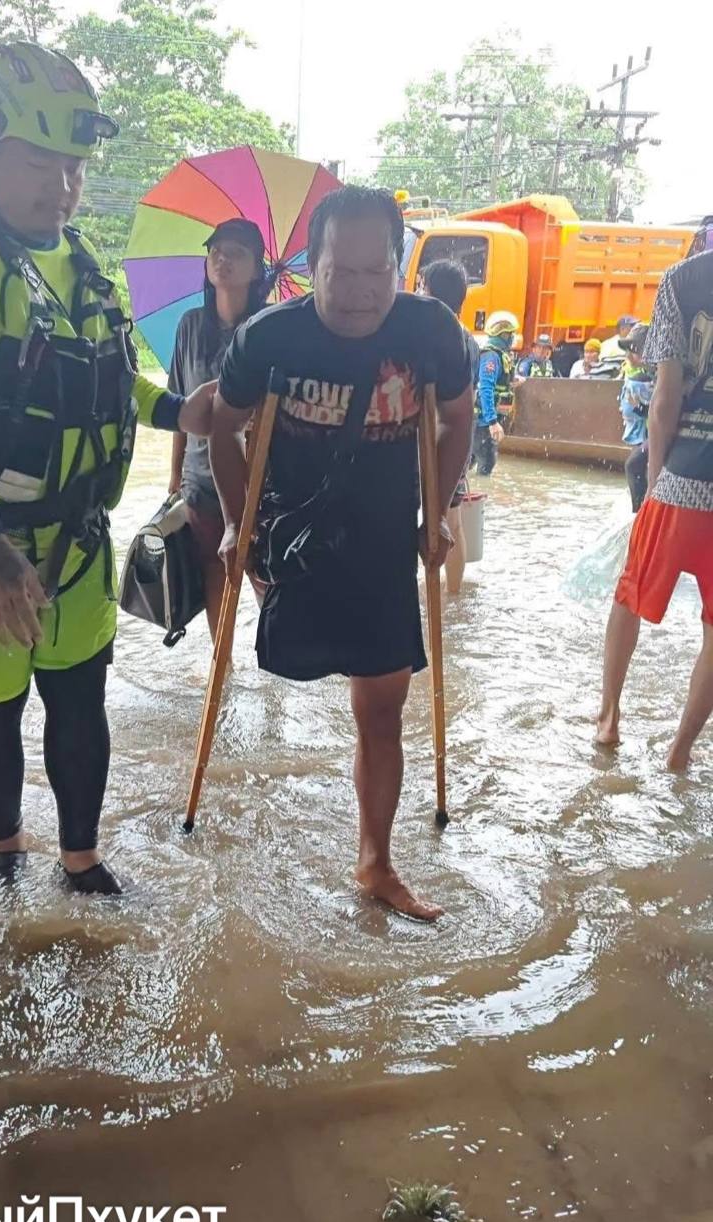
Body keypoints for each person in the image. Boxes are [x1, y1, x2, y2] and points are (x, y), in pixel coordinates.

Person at [0, 41, 214, 892]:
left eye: (73, 168)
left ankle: (81, 858)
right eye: (38, 162)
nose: (60, 187)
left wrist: (178, 410)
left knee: (79, 702)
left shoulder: (75, 260)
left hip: (74, 535)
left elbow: (100, 372)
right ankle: (4, 849)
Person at [208, 187, 474, 920]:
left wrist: (440, 509)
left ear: (398, 266)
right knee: (281, 676)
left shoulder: (431, 334)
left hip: (386, 539)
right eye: (340, 272)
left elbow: (456, 419)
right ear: (310, 267)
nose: (359, 292)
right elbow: (223, 428)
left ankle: (375, 863)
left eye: (376, 272)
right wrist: (237, 525)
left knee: (381, 711)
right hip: (292, 537)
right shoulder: (267, 338)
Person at [596, 246, 713, 770]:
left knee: (630, 594)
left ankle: (609, 717)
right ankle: (680, 752)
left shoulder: (684, 280)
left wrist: (655, 482)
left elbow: (665, 399)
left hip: (682, 480)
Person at [168, 218, 269, 639]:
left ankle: (276, 679)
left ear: (257, 270)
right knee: (215, 576)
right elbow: (177, 405)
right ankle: (220, 674)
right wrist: (174, 476)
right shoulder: (190, 326)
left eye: (236, 253)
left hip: (262, 482)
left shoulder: (269, 329)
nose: (223, 260)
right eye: (216, 252)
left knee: (266, 579)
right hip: (200, 480)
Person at [418, 259, 480, 594]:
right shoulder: (469, 338)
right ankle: (453, 594)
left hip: (432, 441)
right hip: (456, 442)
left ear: (428, 291)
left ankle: (445, 594)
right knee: (450, 521)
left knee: (444, 520)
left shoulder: (433, 337)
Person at [472, 311, 518, 475]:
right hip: (483, 422)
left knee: (469, 464)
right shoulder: (491, 356)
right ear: (504, 335)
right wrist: (492, 422)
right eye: (511, 334)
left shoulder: (499, 356)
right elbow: (486, 388)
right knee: (486, 464)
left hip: (483, 422)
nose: (513, 337)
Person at [617, 322, 653, 513]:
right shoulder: (640, 372)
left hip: (660, 432)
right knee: (639, 467)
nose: (629, 356)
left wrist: (638, 406)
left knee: (634, 465)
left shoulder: (658, 373)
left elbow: (662, 412)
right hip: (646, 431)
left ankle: (639, 513)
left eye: (634, 350)